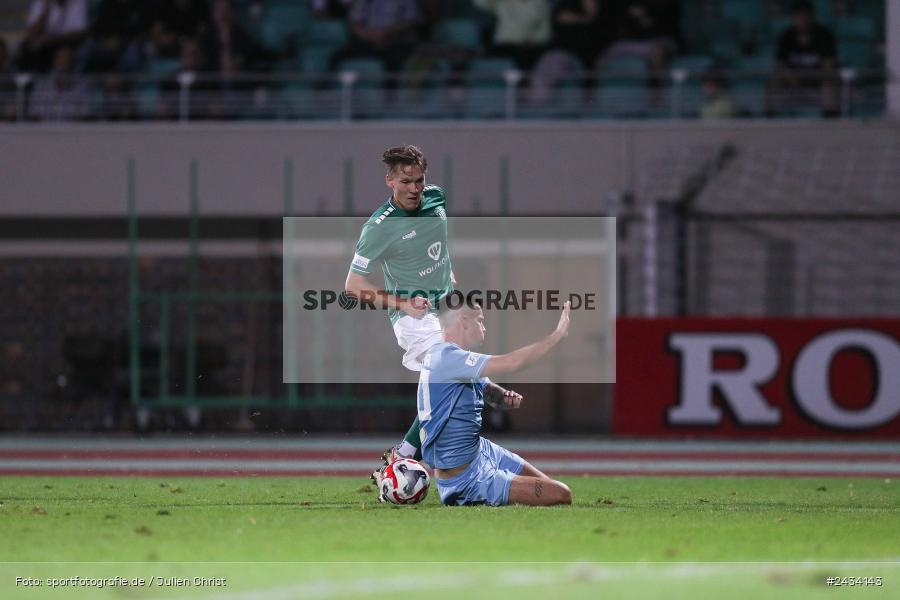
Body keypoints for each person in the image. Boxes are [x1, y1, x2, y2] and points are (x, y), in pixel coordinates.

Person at [343, 145, 456, 477]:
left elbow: (439, 249)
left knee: (449, 385)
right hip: (413, 317)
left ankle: (405, 455)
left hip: (447, 311)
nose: (414, 189)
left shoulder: (437, 198)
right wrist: (402, 303)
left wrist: (452, 284)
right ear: (389, 180)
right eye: (406, 181)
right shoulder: (379, 227)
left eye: (419, 180)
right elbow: (353, 285)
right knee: (450, 376)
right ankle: (409, 457)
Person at [411, 299, 573, 506]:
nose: (484, 327)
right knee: (561, 494)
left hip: (481, 452)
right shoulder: (447, 358)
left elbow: (489, 392)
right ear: (464, 321)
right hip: (467, 478)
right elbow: (513, 363)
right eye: (480, 320)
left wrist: (504, 396)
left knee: (547, 485)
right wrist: (556, 336)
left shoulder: (450, 357)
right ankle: (472, 494)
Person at [770, 0, 839, 116]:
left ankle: (831, 126)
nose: (802, 20)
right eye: (798, 16)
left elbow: (829, 68)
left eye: (805, 15)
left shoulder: (824, 35)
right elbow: (779, 68)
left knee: (829, 88)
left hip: (817, 85)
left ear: (812, 17)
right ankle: (769, 124)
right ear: (792, 18)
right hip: (792, 86)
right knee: (772, 85)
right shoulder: (786, 37)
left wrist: (806, 79)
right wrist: (790, 78)